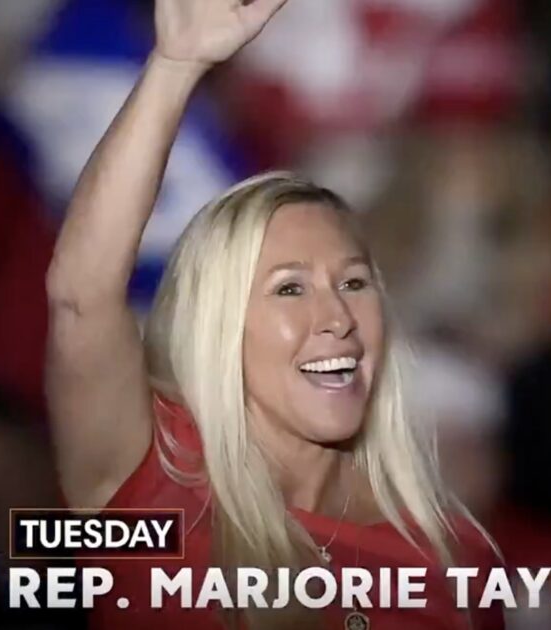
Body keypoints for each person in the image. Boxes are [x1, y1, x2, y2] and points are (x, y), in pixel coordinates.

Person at [44, 1, 502, 629]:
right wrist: (176, 66)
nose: (337, 315)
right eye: (289, 289)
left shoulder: (455, 563)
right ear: (220, 322)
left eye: (353, 282)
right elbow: (82, 296)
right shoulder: (157, 483)